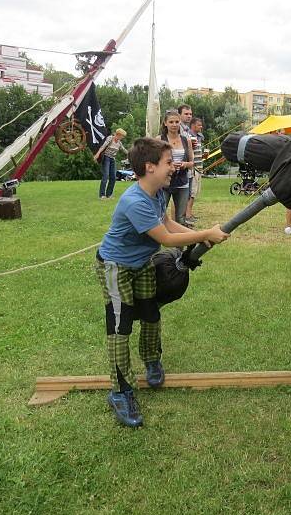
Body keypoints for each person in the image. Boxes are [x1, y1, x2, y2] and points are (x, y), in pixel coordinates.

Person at [95, 138, 229, 427]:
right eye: (169, 163)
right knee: (121, 327)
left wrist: (200, 236)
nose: (174, 167)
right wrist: (204, 231)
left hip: (142, 264)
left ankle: (151, 360)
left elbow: (168, 224)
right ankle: (120, 391)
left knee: (151, 315)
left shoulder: (157, 193)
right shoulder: (134, 201)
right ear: (149, 166)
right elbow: (166, 239)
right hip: (116, 268)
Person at [159, 110, 194, 225]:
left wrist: (185, 164)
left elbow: (192, 162)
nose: (174, 125)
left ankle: (179, 242)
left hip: (182, 182)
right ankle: (159, 239)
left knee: (180, 218)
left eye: (177, 122)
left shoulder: (186, 140)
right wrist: (169, 165)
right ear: (165, 123)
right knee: (159, 215)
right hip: (164, 183)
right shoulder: (159, 140)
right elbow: (153, 162)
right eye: (171, 122)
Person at [93, 128, 128, 199]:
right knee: (105, 176)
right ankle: (102, 195)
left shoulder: (119, 143)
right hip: (106, 158)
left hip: (112, 159)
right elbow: (103, 146)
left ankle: (109, 194)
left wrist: (132, 155)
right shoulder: (110, 138)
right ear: (118, 134)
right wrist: (97, 154)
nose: (122, 138)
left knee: (113, 177)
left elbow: (124, 150)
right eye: (122, 136)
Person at [185, 117, 206, 223]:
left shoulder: (198, 137)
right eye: (199, 125)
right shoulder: (190, 137)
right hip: (193, 168)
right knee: (191, 193)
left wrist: (203, 156)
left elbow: (197, 153)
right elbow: (189, 152)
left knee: (194, 193)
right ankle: (187, 215)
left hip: (198, 168)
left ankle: (189, 213)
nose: (201, 127)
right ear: (193, 125)